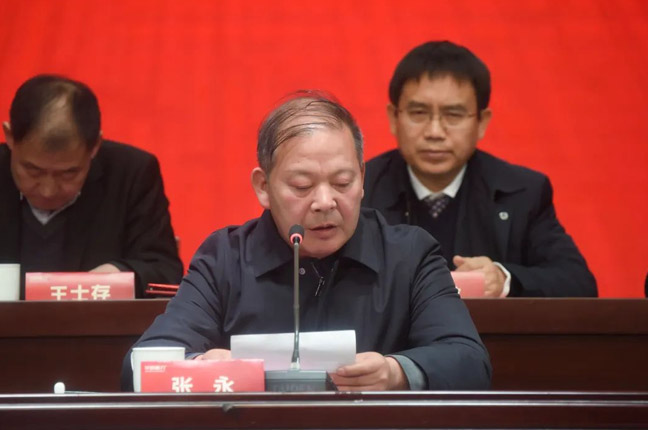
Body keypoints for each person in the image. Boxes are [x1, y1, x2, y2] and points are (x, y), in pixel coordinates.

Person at [122, 91, 491, 391]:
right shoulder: (226, 258)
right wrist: (202, 368)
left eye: (343, 182)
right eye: (302, 186)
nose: (325, 202)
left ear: (362, 178)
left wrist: (396, 372)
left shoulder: (409, 255)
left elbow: (470, 361)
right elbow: (140, 365)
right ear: (263, 187)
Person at [363, 41, 597, 297]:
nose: (434, 132)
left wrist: (502, 280)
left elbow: (578, 283)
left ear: (482, 122)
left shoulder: (521, 193)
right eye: (419, 113)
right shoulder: (360, 190)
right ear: (394, 118)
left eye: (453, 115)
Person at [0, 74, 183, 297]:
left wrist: (118, 275)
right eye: (33, 170)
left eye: (68, 173)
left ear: (95, 146)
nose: (48, 190)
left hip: (102, 318)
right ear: (10, 137)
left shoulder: (131, 174)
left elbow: (165, 269)